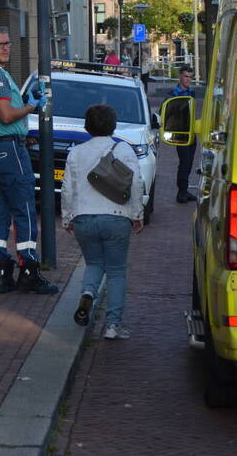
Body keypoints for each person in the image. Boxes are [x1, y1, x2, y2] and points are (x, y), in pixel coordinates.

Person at [0, 26, 57, 294]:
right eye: (0, 44)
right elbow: (6, 115)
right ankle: (29, 271)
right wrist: (32, 105)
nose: (6, 48)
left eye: (8, 43)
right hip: (7, 149)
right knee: (25, 208)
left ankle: (0, 268)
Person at [63, 104, 144, 339]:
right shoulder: (124, 150)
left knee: (94, 264)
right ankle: (112, 325)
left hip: (84, 218)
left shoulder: (76, 153)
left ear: (87, 126)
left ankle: (88, 293)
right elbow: (136, 184)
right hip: (117, 218)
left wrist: (68, 217)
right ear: (113, 125)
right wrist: (137, 214)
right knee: (117, 271)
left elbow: (68, 189)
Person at [168, 66, 197, 203]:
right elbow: (166, 111)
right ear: (180, 76)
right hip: (180, 133)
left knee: (190, 161)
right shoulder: (174, 94)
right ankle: (181, 192)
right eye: (186, 76)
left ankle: (184, 190)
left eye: (190, 77)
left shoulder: (192, 92)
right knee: (184, 162)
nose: (188, 80)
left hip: (191, 131)